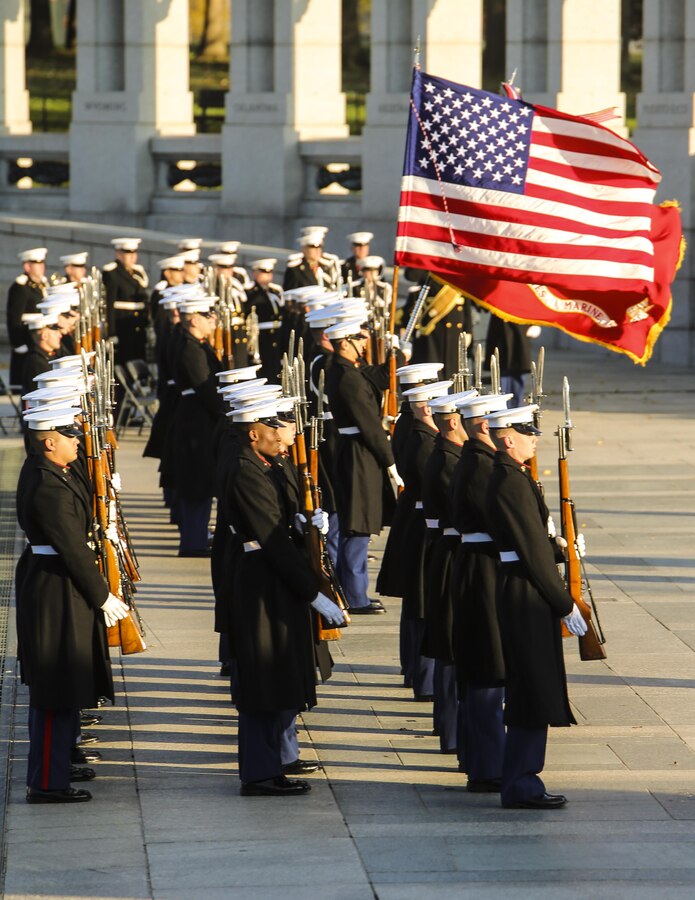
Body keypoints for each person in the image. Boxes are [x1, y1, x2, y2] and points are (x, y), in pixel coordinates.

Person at [222, 401, 344, 795]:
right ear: (253, 433)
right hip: (261, 585)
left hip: (273, 582)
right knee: (262, 678)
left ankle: (271, 765)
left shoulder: (266, 466)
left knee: (278, 676)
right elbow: (272, 541)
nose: (281, 434)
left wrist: (304, 521)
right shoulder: (247, 472)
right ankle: (259, 773)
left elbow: (281, 525)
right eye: (272, 427)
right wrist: (314, 594)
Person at [15, 407, 129, 803]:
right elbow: (71, 547)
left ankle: (55, 770)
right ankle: (46, 782)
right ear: (50, 442)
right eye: (70, 436)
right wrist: (102, 596)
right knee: (53, 687)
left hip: (58, 585)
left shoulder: (52, 473)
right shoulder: (47, 484)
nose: (77, 441)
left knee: (63, 685)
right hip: (54, 590)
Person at [486, 404, 587, 809]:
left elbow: (535, 544)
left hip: (525, 589)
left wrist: (562, 549)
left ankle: (523, 778)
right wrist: (565, 603)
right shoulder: (511, 481)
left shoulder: (513, 476)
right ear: (509, 438)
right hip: (527, 593)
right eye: (528, 434)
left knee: (533, 687)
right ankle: (521, 783)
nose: (534, 440)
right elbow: (530, 553)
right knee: (531, 688)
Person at [448, 391, 512, 792]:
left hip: (476, 568)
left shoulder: (473, 459)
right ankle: (488, 766)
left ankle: (480, 758)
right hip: (485, 572)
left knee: (479, 670)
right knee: (488, 669)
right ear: (487, 426)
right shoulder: (482, 467)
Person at [324, 317, 406, 614]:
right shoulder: (347, 376)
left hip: (355, 450)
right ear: (344, 343)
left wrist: (396, 354)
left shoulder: (347, 370)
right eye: (358, 339)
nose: (363, 343)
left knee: (355, 526)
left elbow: (382, 378)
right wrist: (390, 460)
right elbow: (370, 425)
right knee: (357, 526)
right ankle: (356, 596)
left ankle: (352, 592)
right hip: (360, 453)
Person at [421, 390, 475, 758]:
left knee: (452, 646)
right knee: (451, 646)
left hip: (450, 552)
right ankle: (452, 730)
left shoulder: (452, 456)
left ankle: (451, 726)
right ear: (454, 422)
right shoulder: (447, 461)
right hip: (451, 555)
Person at [169, 294, 224, 556]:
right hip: (196, 422)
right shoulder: (191, 348)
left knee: (201, 483)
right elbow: (205, 388)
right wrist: (227, 412)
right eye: (207, 316)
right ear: (193, 320)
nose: (212, 321)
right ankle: (193, 542)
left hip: (199, 418)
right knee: (196, 483)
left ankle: (197, 538)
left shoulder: (197, 345)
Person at [102, 238, 149, 364]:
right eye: (128, 253)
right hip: (121, 325)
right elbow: (109, 305)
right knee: (124, 361)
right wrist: (111, 333)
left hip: (137, 324)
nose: (132, 256)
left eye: (134, 253)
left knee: (139, 359)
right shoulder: (112, 273)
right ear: (118, 254)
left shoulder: (138, 272)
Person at [6, 247, 49, 385]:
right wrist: (18, 343)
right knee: (28, 384)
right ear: (27, 266)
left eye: (43, 263)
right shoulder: (20, 287)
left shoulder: (42, 285)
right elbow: (14, 318)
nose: (42, 267)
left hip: (41, 341)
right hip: (27, 341)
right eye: (38, 264)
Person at [484, 314, 542, 406]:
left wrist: (536, 322)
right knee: (502, 376)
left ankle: (515, 408)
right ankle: (503, 407)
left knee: (518, 375)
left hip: (520, 331)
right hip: (501, 332)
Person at [245, 259, 284, 380]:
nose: (268, 276)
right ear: (255, 274)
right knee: (264, 370)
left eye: (270, 272)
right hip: (262, 337)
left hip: (277, 335)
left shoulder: (275, 291)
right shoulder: (249, 293)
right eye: (264, 272)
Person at [20, 314, 64, 399]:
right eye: (55, 332)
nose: (60, 335)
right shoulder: (37, 361)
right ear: (44, 336)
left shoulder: (49, 355)